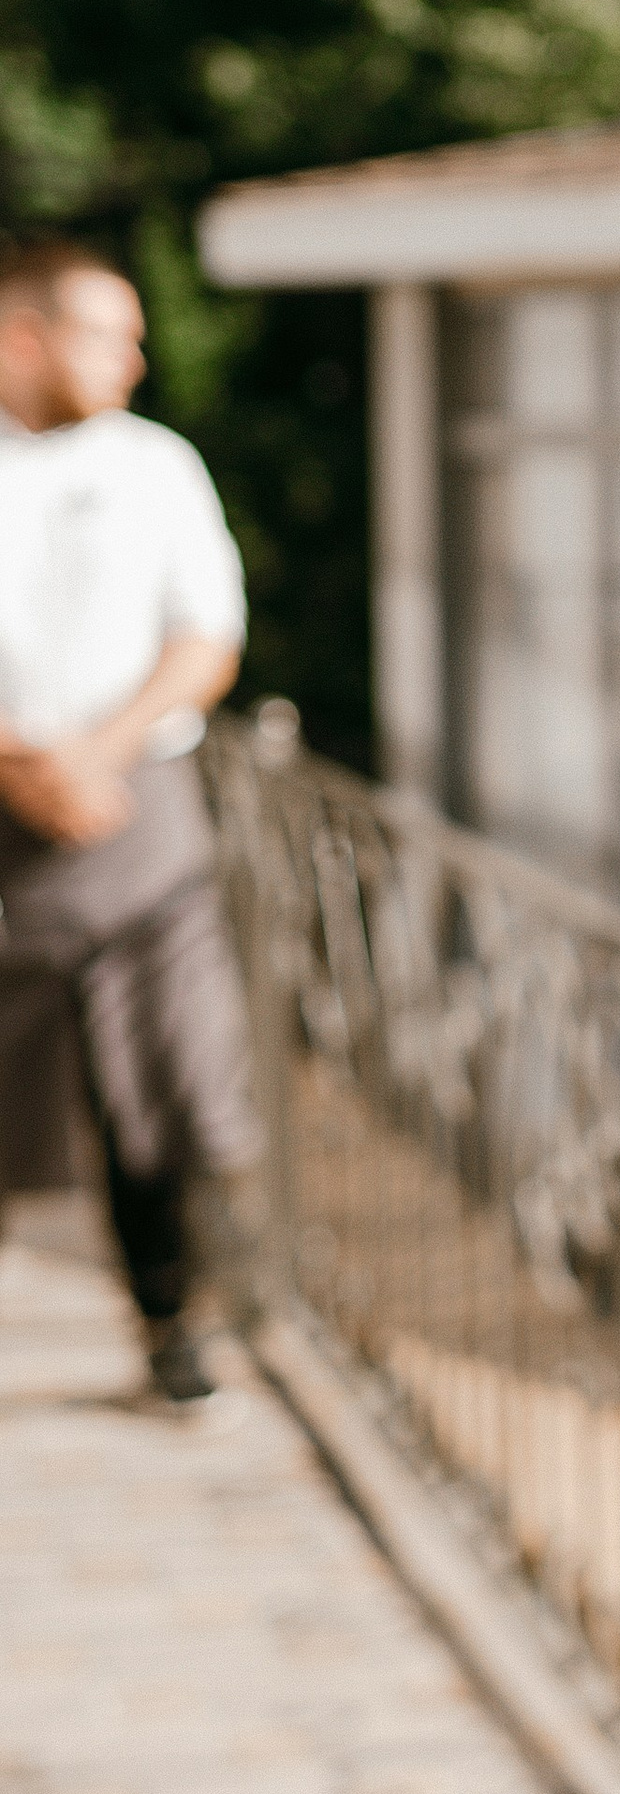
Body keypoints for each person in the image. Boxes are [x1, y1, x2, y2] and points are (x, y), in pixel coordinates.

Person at [0, 235, 255, 1407]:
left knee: (160, 1087)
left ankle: (171, 1319)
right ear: (25, 336)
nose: (139, 356)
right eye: (113, 332)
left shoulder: (161, 465)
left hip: (137, 810)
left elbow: (204, 636)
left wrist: (91, 756)